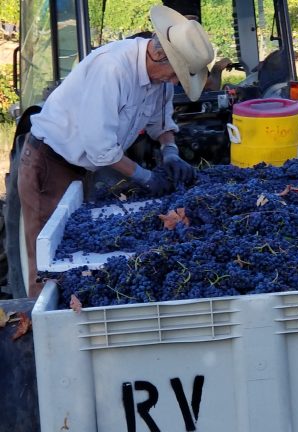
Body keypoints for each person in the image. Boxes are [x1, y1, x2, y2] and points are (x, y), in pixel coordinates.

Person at [18, 5, 215, 297]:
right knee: (50, 261)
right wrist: (145, 177)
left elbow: (161, 123)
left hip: (82, 167)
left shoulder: (159, 79)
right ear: (159, 54)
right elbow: (100, 149)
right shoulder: (112, 69)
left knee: (80, 253)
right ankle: (40, 330)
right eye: (176, 75)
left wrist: (170, 150)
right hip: (50, 163)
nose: (175, 83)